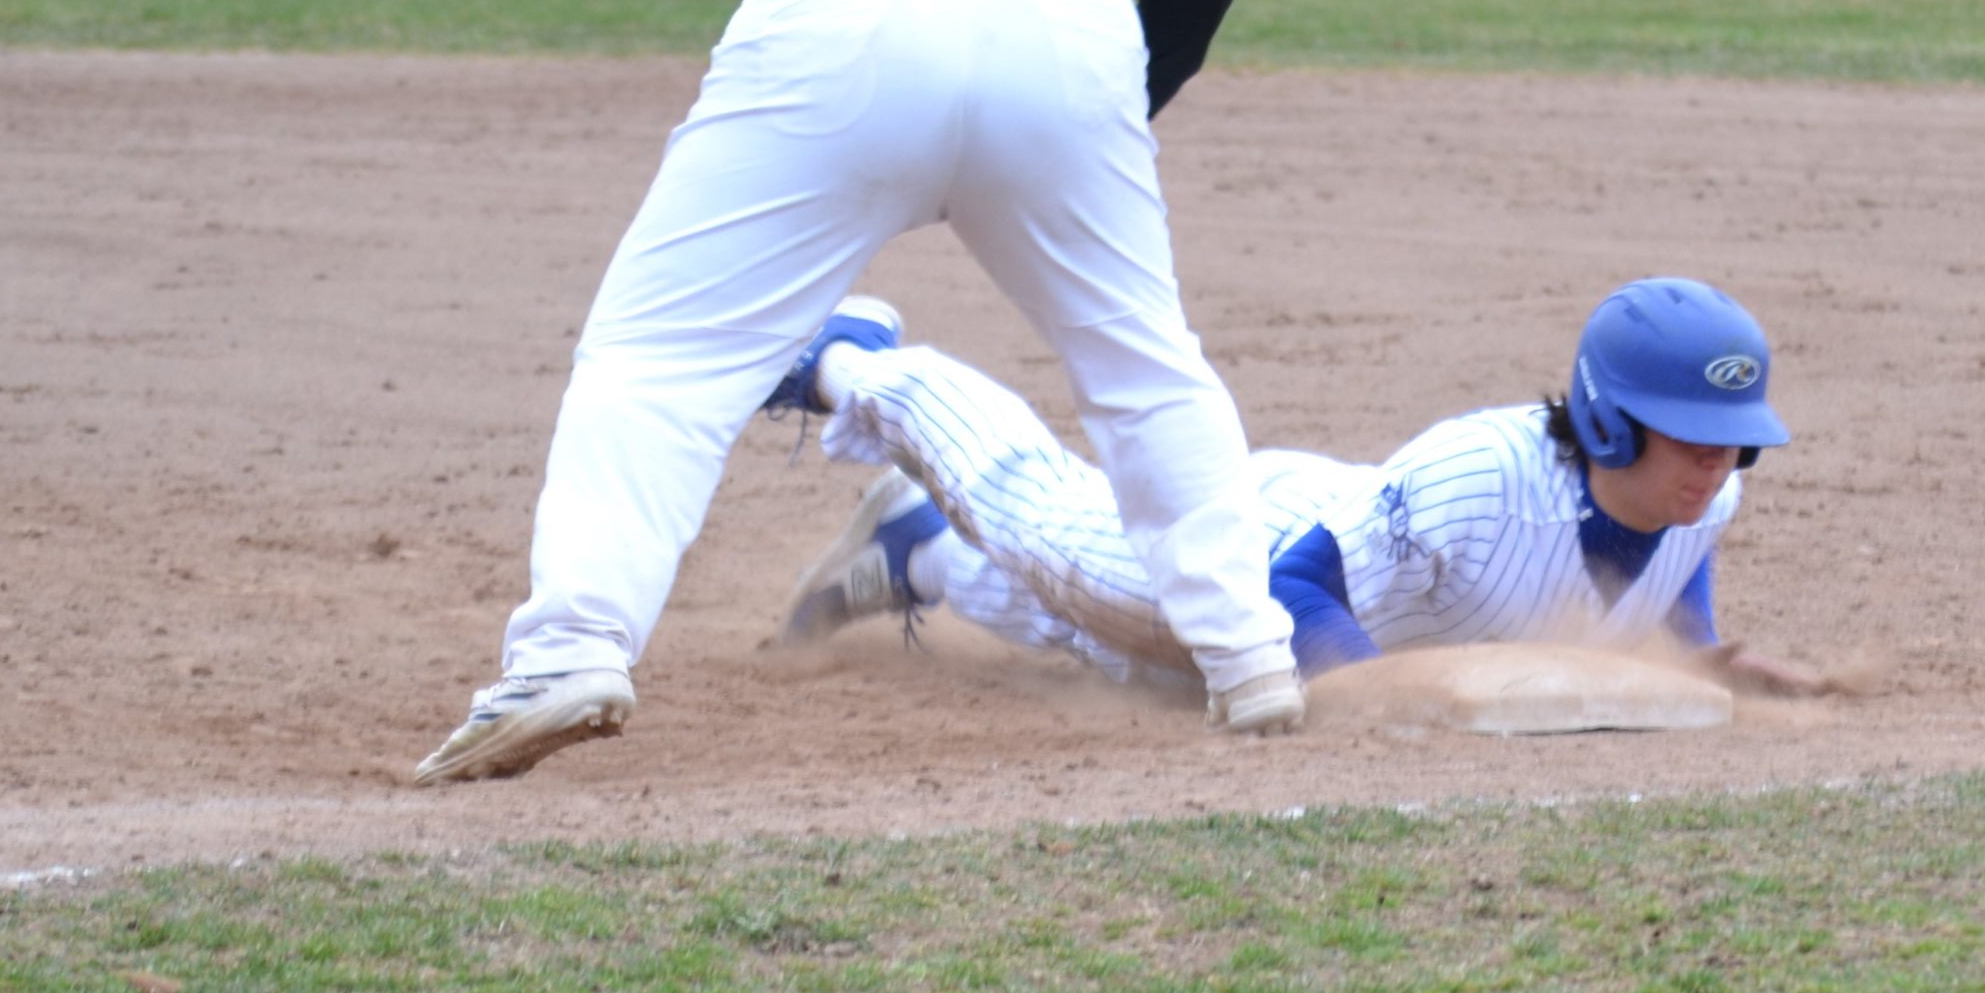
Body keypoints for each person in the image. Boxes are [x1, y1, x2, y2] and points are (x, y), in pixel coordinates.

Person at [415, 0, 1301, 787]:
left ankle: (571, 652)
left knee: (664, 357)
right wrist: (1098, 125)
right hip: (1063, 25)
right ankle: (1249, 657)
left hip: (840, 9)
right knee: (1143, 365)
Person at [770, 280, 1829, 701]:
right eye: (1693, 436)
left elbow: (1675, 565)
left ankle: (920, 549)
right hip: (1258, 548)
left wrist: (1700, 655)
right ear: (1608, 421)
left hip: (1364, 546)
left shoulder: (1702, 501)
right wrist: (1374, 699)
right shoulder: (1483, 476)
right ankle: (849, 359)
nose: (1716, 465)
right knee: (1041, 513)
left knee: (1102, 647)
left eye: (1735, 443)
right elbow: (1292, 586)